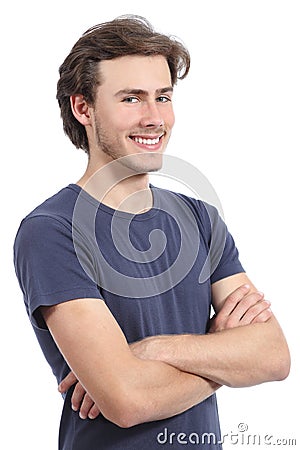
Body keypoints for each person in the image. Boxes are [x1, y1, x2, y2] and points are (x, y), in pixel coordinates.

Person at [14, 15, 290, 450]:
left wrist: (153, 351)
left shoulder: (200, 218)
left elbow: (273, 357)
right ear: (83, 108)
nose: (154, 117)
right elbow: (128, 400)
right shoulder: (51, 232)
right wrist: (221, 351)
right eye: (131, 98)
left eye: (163, 96)